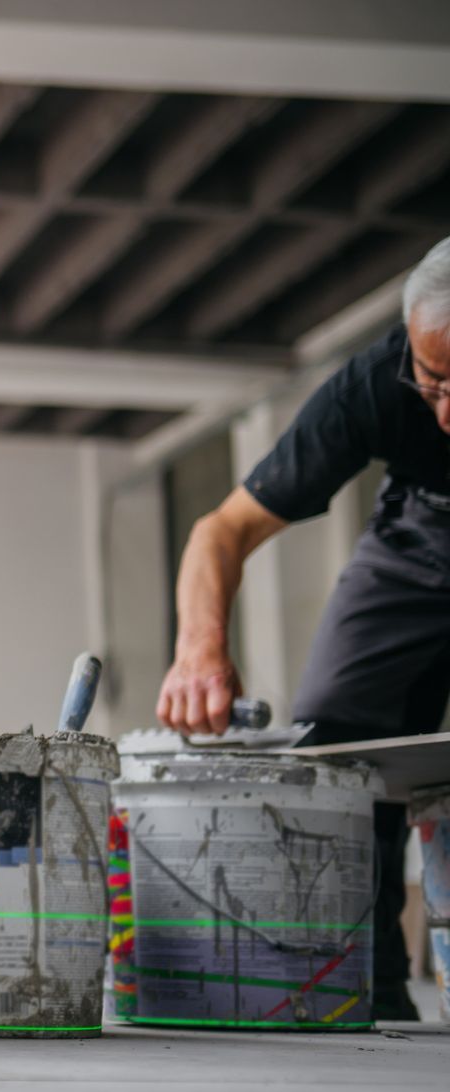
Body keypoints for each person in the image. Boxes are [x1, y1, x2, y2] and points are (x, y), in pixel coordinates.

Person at [157, 235, 450, 1020]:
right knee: (336, 740)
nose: (449, 414)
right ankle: (373, 983)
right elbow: (220, 532)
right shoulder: (370, 385)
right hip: (423, 534)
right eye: (435, 384)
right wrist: (199, 651)